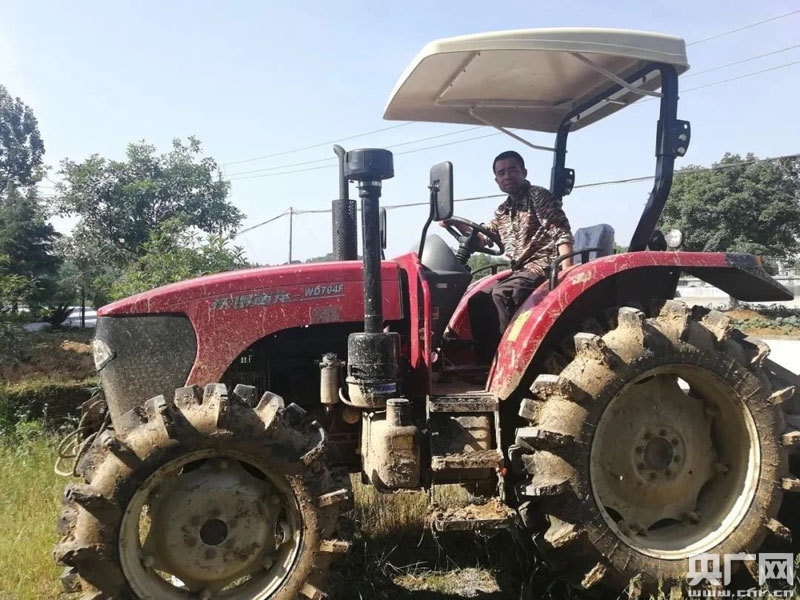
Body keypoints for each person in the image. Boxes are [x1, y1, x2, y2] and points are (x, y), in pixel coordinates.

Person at [450, 150, 574, 364]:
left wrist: (568, 270)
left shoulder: (538, 196)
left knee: (504, 294)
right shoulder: (503, 210)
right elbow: (483, 238)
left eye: (512, 170)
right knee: (478, 298)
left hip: (543, 265)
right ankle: (486, 361)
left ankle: (511, 359)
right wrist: (455, 224)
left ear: (523, 172)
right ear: (496, 179)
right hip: (520, 270)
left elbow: (561, 232)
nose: (507, 176)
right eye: (501, 173)